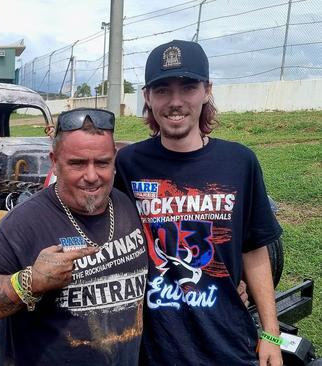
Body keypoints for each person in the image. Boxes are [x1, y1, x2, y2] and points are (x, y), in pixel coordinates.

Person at [114, 39, 283, 366]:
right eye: (162, 90)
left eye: (188, 87)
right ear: (147, 97)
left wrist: (271, 334)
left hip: (227, 345)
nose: (175, 102)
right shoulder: (129, 164)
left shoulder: (239, 162)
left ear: (207, 90)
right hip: (152, 349)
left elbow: (254, 248)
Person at [0, 108, 148, 366]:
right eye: (77, 163)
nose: (92, 176)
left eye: (102, 162)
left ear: (114, 159)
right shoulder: (25, 221)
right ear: (55, 161)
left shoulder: (126, 205)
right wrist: (30, 282)